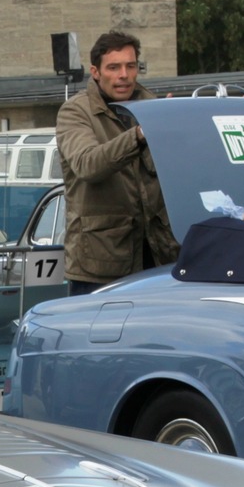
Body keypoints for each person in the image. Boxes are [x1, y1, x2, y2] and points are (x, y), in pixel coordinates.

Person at [55, 29, 177, 296]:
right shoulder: (74, 112)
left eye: (130, 66)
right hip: (100, 267)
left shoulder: (154, 107)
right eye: (114, 67)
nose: (124, 75)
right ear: (95, 72)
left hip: (159, 260)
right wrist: (139, 135)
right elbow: (88, 164)